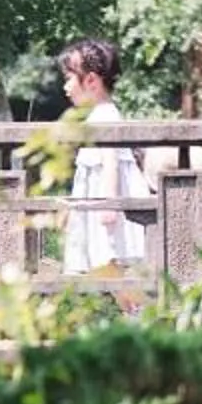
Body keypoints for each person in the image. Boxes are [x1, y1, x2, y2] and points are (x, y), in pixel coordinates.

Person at [57, 36, 148, 277]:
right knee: (104, 265)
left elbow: (111, 163)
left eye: (68, 79)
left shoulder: (106, 115)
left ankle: (127, 301)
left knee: (109, 259)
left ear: (91, 80)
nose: (66, 87)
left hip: (105, 205)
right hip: (96, 202)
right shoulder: (97, 115)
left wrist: (109, 205)